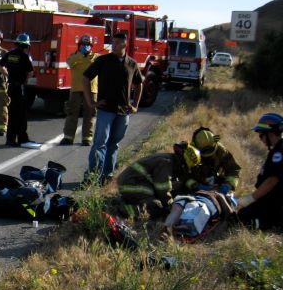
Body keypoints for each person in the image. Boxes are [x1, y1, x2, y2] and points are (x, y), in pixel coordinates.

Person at [82, 32, 143, 185]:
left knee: (114, 144)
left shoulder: (132, 64)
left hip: (123, 112)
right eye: (112, 43)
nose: (113, 46)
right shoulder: (103, 60)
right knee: (99, 143)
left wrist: (135, 105)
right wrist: (91, 102)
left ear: (124, 45)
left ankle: (107, 175)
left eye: (116, 43)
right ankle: (92, 175)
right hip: (105, 110)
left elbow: (139, 83)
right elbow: (85, 78)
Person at [237, 113, 283, 232]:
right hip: (277, 199)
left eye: (261, 135)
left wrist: (251, 198)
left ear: (270, 133)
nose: (260, 139)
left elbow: (271, 181)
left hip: (275, 202)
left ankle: (273, 223)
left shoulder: (280, 153)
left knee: (241, 218)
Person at [116, 143, 199, 219]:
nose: (186, 170)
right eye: (187, 168)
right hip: (130, 184)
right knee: (156, 207)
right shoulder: (166, 163)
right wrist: (171, 206)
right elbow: (162, 190)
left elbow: (169, 183)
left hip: (134, 182)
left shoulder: (170, 160)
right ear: (183, 162)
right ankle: (122, 209)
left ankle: (126, 200)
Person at [1, 33, 40, 149]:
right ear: (26, 45)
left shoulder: (9, 54)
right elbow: (31, 72)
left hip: (11, 87)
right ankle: (22, 138)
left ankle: (11, 139)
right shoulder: (24, 57)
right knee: (21, 115)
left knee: (12, 114)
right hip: (20, 89)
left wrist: (8, 75)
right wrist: (24, 79)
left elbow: (0, 66)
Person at [61, 34, 98, 146]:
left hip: (91, 90)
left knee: (90, 114)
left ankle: (87, 138)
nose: (85, 46)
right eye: (83, 44)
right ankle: (68, 137)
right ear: (79, 45)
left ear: (91, 45)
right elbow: (69, 62)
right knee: (72, 113)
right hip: (76, 89)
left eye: (87, 45)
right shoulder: (73, 56)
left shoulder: (96, 57)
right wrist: (82, 56)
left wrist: (89, 59)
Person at [186, 127, 241, 193]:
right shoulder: (189, 154)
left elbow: (233, 169)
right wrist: (194, 185)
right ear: (195, 146)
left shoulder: (221, 151)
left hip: (216, 184)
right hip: (195, 187)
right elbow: (183, 175)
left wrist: (229, 184)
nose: (208, 156)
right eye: (205, 152)